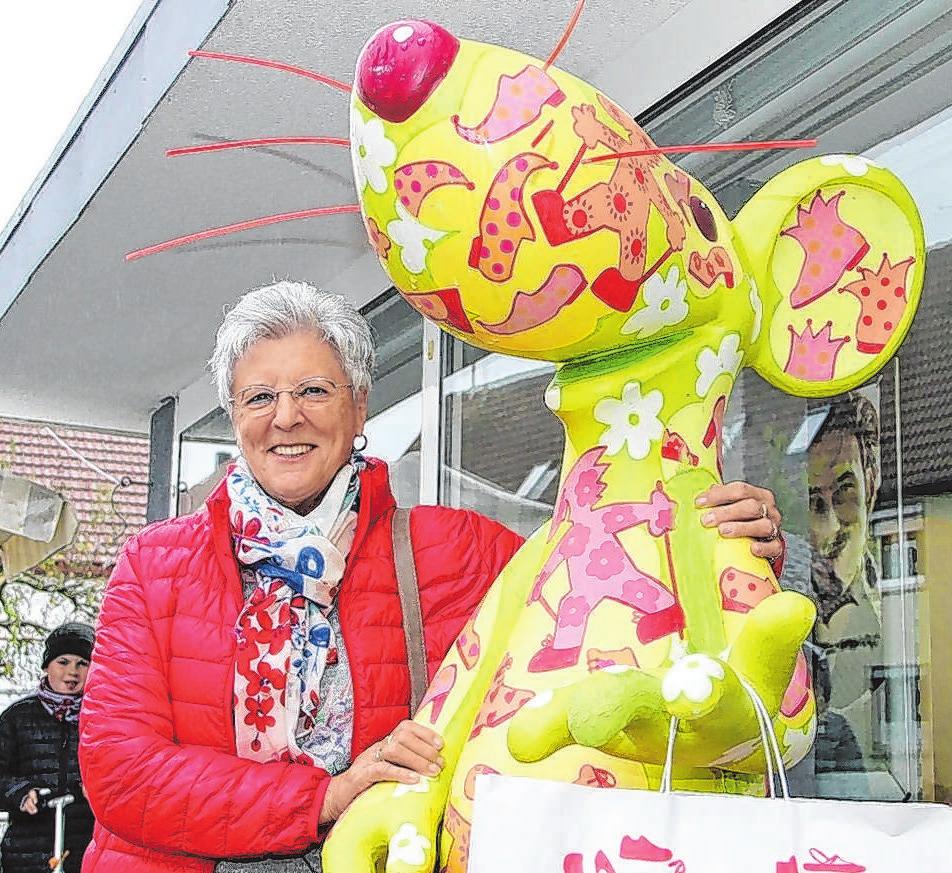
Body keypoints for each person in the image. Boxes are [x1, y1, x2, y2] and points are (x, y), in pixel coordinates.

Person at [79, 281, 786, 872]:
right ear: (236, 416)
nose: (285, 417)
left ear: (359, 408)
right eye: (258, 397)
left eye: (313, 390)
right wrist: (326, 796)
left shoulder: (458, 549)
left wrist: (725, 541)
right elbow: (121, 772)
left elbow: (613, 590)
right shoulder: (155, 564)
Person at [808, 391, 882, 772]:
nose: (831, 528)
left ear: (871, 480)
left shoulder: (892, 624)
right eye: (815, 504)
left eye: (844, 492)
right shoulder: (796, 611)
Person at [0, 622, 96, 873]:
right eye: (63, 662)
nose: (72, 672)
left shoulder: (103, 718)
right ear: (46, 667)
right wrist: (20, 793)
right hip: (27, 852)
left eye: (82, 664)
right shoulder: (17, 717)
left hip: (87, 847)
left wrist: (99, 789)